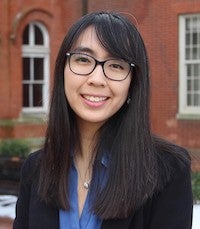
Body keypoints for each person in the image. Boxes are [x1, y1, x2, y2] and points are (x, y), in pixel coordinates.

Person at [13, 11, 193, 229]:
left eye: (116, 65)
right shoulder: (36, 169)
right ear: (62, 70)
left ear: (132, 84)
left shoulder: (168, 171)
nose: (97, 79)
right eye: (82, 59)